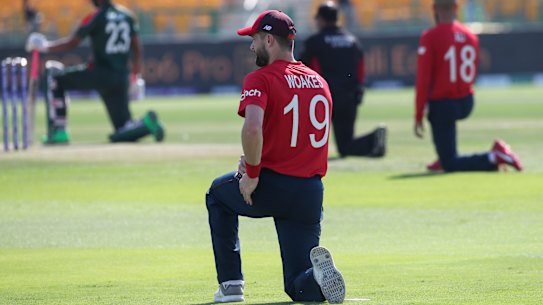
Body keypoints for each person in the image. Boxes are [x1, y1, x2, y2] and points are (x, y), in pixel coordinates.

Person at [205, 10, 346, 304]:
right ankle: (317, 280)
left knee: (217, 195)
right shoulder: (319, 81)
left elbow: (253, 129)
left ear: (269, 39)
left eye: (255, 39)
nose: (251, 46)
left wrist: (252, 173)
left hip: (272, 185)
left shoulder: (260, 79)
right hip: (310, 191)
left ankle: (231, 286)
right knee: (298, 285)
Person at [25, 0, 164, 144]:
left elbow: (73, 42)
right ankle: (147, 124)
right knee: (122, 130)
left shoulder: (96, 16)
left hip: (100, 73)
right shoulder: (127, 15)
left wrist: (45, 47)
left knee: (56, 79)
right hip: (121, 78)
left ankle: (59, 132)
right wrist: (135, 76)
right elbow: (137, 49)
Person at [414, 0, 522, 172]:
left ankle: (493, 156)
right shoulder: (470, 35)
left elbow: (423, 79)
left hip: (443, 104)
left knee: (450, 163)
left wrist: (418, 114)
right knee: (446, 144)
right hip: (466, 101)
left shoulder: (430, 37)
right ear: (457, 8)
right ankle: (445, 155)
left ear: (434, 9)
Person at [300, 1, 386, 158]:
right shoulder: (352, 41)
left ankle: (374, 141)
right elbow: (360, 69)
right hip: (349, 96)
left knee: (314, 139)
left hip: (322, 98)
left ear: (322, 19)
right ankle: (373, 141)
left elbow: (302, 68)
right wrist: (359, 90)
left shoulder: (315, 41)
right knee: (346, 143)